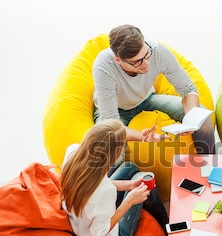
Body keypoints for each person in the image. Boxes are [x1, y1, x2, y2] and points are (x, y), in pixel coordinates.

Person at [92, 24, 215, 161]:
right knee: (107, 148)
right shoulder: (103, 67)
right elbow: (112, 124)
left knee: (202, 118)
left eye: (146, 55)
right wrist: (141, 136)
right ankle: (126, 179)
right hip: (116, 111)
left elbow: (187, 89)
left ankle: (211, 168)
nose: (146, 64)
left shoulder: (156, 50)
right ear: (118, 60)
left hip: (146, 99)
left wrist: (192, 119)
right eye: (137, 62)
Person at [60, 119, 169, 236]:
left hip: (81, 219)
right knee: (145, 180)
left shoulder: (73, 152)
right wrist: (129, 201)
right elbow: (98, 234)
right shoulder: (106, 192)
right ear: (114, 154)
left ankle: (166, 225)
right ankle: (168, 230)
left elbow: (95, 185)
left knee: (130, 168)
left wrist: (129, 185)